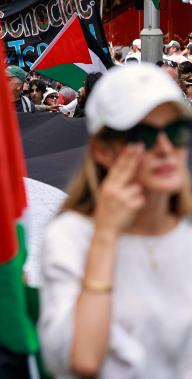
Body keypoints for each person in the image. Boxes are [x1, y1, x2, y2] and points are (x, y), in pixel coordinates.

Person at [40, 64, 192, 378]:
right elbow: (81, 359)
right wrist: (107, 234)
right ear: (103, 150)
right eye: (143, 135)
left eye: (176, 131)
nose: (165, 148)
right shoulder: (71, 237)